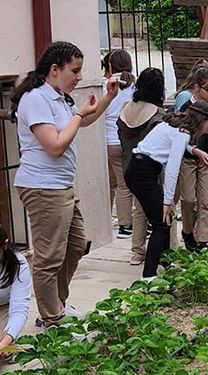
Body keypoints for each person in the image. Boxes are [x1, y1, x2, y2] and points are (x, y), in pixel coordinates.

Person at [11, 41, 117, 327]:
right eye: (76, 70)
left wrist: (106, 99)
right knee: (49, 258)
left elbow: (79, 123)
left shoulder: (58, 96)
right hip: (43, 187)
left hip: (61, 187)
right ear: (55, 70)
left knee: (76, 245)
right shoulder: (35, 99)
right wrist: (80, 113)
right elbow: (55, 145)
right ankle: (51, 319)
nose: (79, 77)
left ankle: (57, 303)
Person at [125, 101, 208, 280]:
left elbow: (174, 143)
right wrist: (167, 202)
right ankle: (149, 276)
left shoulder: (174, 123)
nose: (206, 131)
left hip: (138, 167)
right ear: (201, 120)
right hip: (143, 173)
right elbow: (173, 169)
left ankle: (166, 263)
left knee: (165, 220)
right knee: (161, 223)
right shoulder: (183, 133)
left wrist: (194, 150)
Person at [117, 67, 166, 265]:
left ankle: (137, 251)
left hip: (128, 164)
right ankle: (166, 252)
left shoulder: (126, 108)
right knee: (162, 210)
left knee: (139, 208)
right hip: (151, 168)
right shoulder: (158, 114)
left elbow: (121, 136)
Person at [174, 63, 208, 252]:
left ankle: (202, 239)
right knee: (188, 200)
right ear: (196, 88)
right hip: (188, 158)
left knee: (204, 200)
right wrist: (195, 150)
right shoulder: (186, 106)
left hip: (207, 157)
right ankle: (187, 232)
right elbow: (178, 136)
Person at [103, 49, 136, 239]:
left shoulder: (105, 84)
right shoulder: (135, 85)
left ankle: (105, 220)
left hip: (106, 142)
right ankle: (125, 225)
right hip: (124, 141)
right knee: (124, 184)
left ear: (110, 65)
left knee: (110, 183)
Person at [0, 223, 31, 353]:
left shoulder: (18, 264)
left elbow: (19, 308)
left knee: (6, 346)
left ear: (5, 245)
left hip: (4, 307)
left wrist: (3, 345)